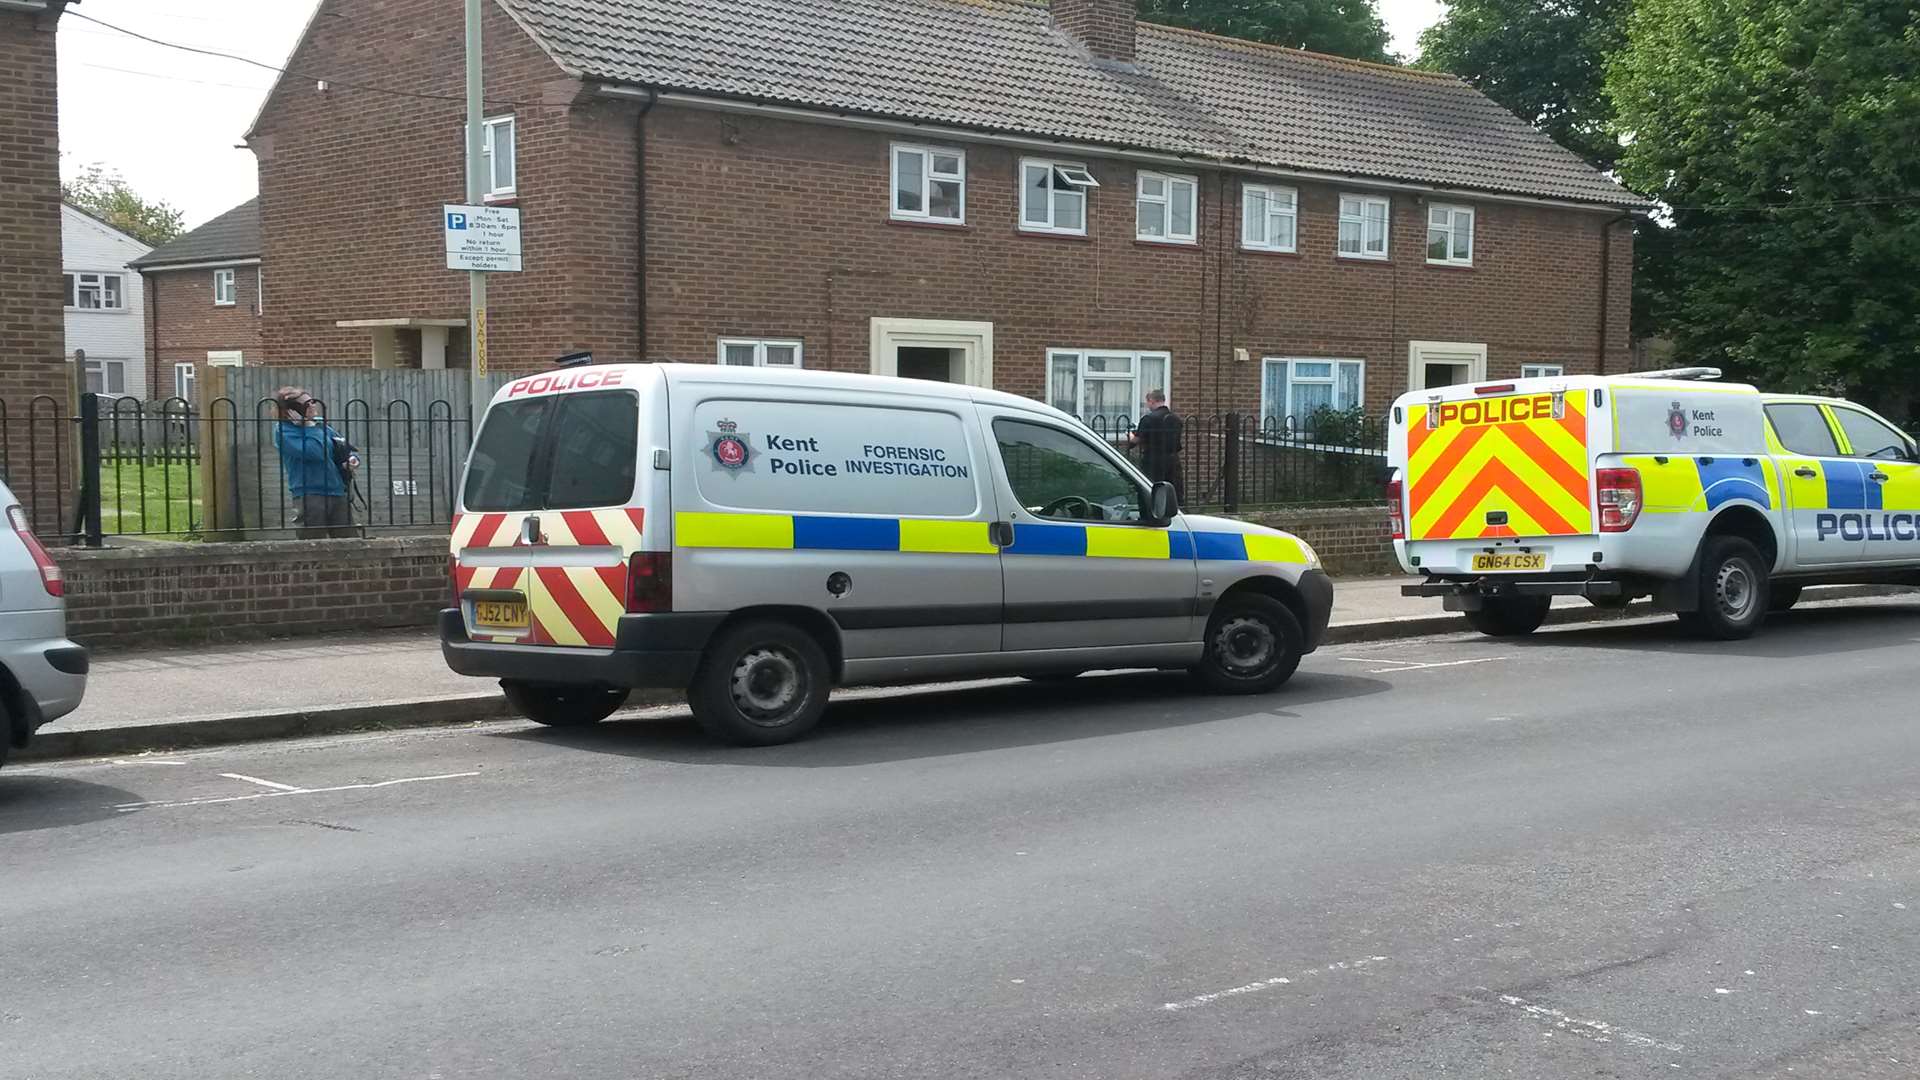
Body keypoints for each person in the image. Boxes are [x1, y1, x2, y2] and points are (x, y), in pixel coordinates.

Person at [273, 387, 360, 539]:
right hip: (310, 493)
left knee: (348, 542)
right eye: (306, 404)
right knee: (313, 542)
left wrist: (351, 460)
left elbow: (343, 446)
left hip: (337, 489)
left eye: (312, 401)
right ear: (291, 411)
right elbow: (316, 452)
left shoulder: (320, 425)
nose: (313, 405)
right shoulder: (284, 431)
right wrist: (307, 427)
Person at [1129, 389, 1184, 502]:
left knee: (1152, 489)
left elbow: (1136, 440)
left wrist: (1130, 434)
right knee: (1173, 490)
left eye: (1147, 402)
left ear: (1152, 401)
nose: (1147, 405)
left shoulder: (1148, 419)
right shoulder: (1176, 419)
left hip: (1153, 460)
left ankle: (1153, 514)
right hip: (1173, 459)